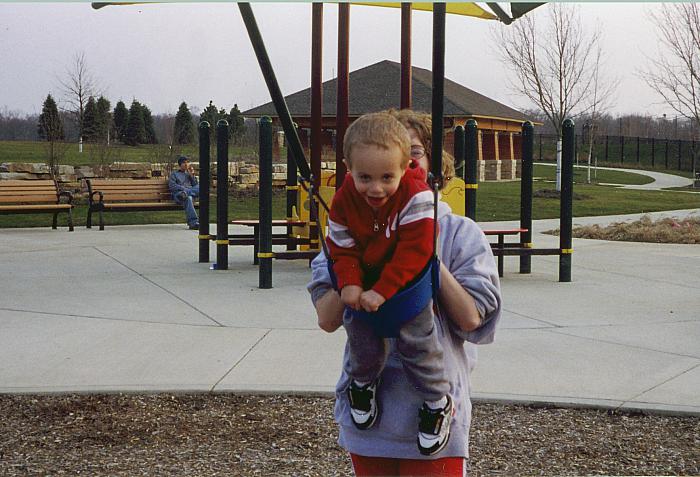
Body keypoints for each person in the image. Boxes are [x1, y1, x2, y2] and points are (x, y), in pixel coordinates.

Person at [308, 109, 502, 476]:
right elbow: (327, 318)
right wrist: (350, 266)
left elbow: (472, 318)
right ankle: (363, 390)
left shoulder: (461, 233)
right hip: (371, 420)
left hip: (432, 424)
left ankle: (437, 403)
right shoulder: (349, 228)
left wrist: (425, 254)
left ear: (429, 166)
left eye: (412, 152)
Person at [326, 112, 451, 456]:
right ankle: (362, 385)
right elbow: (341, 245)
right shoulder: (344, 198)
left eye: (386, 177)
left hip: (407, 284)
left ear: (405, 167)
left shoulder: (417, 195)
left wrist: (383, 290)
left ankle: (436, 401)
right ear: (348, 167)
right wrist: (349, 282)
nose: (376, 188)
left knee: (419, 344)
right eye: (364, 177)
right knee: (361, 338)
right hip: (364, 284)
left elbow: (416, 250)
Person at [169, 155, 200, 229]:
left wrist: (192, 175)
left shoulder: (188, 173)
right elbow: (172, 186)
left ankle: (193, 223)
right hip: (178, 195)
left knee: (192, 195)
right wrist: (184, 189)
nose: (186, 164)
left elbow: (196, 186)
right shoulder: (174, 174)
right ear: (180, 165)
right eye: (184, 163)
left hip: (188, 195)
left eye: (187, 162)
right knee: (187, 196)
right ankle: (193, 223)